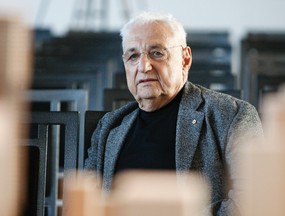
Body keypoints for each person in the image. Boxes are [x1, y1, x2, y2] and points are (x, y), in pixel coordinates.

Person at [84, 11, 263, 215]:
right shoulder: (109, 127)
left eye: (157, 53)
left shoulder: (233, 116)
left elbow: (254, 197)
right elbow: (86, 203)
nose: (143, 66)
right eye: (133, 56)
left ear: (185, 59)